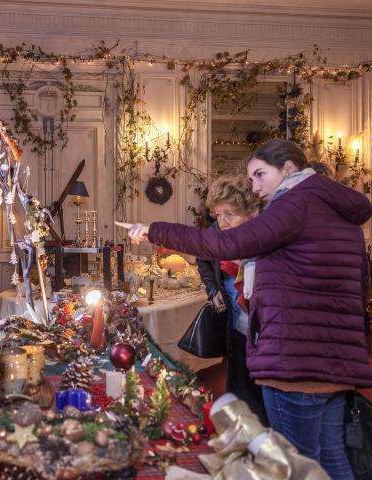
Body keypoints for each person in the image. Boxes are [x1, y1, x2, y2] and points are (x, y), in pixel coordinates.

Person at [118, 139, 372, 480]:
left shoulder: (296, 202)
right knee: (332, 457)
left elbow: (226, 243)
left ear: (288, 169)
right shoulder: (339, 213)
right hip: (336, 360)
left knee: (291, 462)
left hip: (295, 359)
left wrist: (154, 230)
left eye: (260, 175)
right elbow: (360, 286)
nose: (254, 186)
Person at [195, 175, 268, 425]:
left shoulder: (268, 237)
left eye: (230, 214)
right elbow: (202, 258)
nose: (222, 223)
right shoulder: (217, 232)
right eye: (218, 215)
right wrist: (213, 289)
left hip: (267, 334)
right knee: (239, 395)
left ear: (253, 211)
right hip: (237, 328)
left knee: (266, 402)